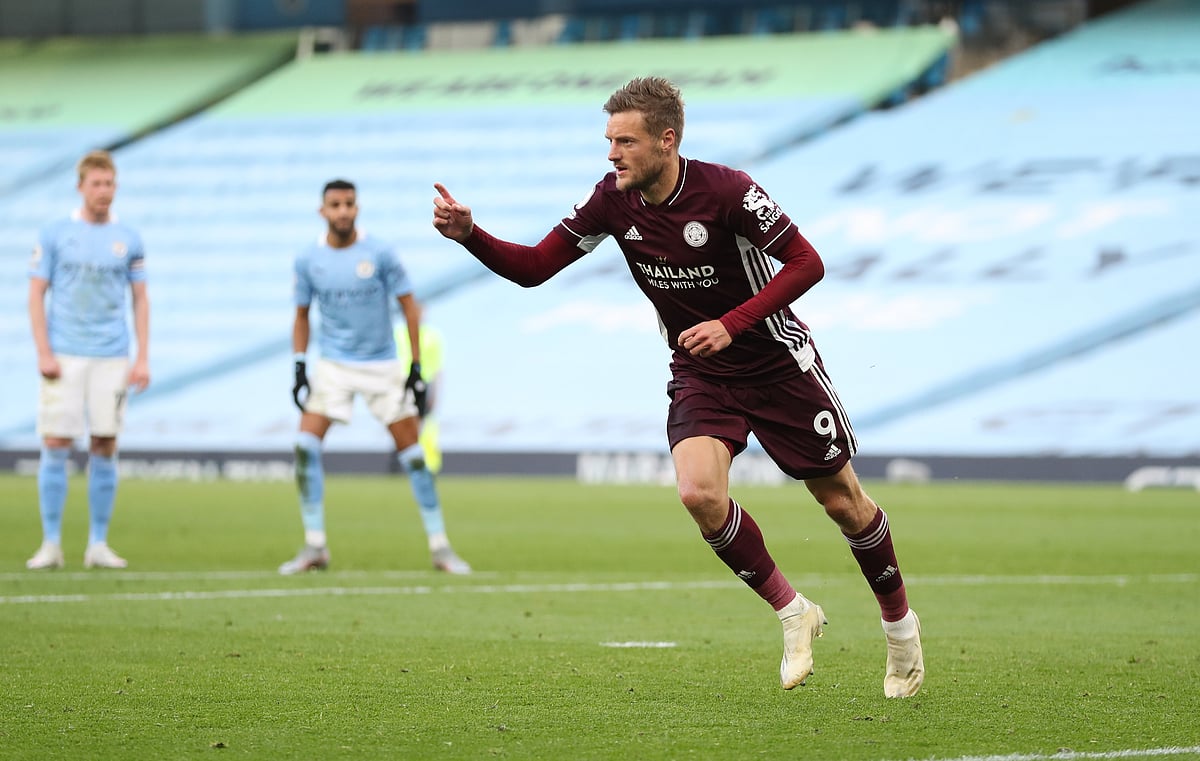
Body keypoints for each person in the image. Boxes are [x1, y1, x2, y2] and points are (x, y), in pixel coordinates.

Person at [432, 77, 924, 697]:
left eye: (625, 142)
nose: (612, 155)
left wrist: (731, 323)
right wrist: (470, 235)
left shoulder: (727, 191)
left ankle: (900, 629)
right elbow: (534, 268)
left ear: (666, 140)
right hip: (700, 371)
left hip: (776, 364)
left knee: (843, 504)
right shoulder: (611, 201)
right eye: (609, 141)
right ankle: (793, 612)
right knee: (698, 494)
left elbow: (808, 262)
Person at [284, 179, 471, 576]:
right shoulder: (308, 260)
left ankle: (440, 548)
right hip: (333, 366)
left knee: (414, 457)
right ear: (322, 211)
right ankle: (314, 545)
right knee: (304, 447)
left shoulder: (380, 253)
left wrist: (415, 367)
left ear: (357, 208)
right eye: (335, 204)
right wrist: (300, 363)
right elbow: (301, 316)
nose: (343, 211)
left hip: (381, 365)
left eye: (349, 203)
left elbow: (410, 308)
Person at [26, 149, 150, 570]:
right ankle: (51, 544)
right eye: (96, 183)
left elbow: (140, 298)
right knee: (56, 442)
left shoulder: (128, 238)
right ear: (80, 187)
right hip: (64, 354)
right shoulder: (56, 233)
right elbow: (36, 293)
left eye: (109, 183)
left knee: (105, 443)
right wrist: (44, 351)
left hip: (111, 355)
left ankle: (98, 543)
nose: (103, 191)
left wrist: (142, 357)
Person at [394, 322, 445, 474]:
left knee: (423, 425)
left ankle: (427, 464)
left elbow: (437, 368)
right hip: (401, 383)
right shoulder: (398, 334)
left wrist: (435, 391)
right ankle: (405, 462)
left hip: (422, 383)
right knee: (402, 424)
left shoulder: (431, 336)